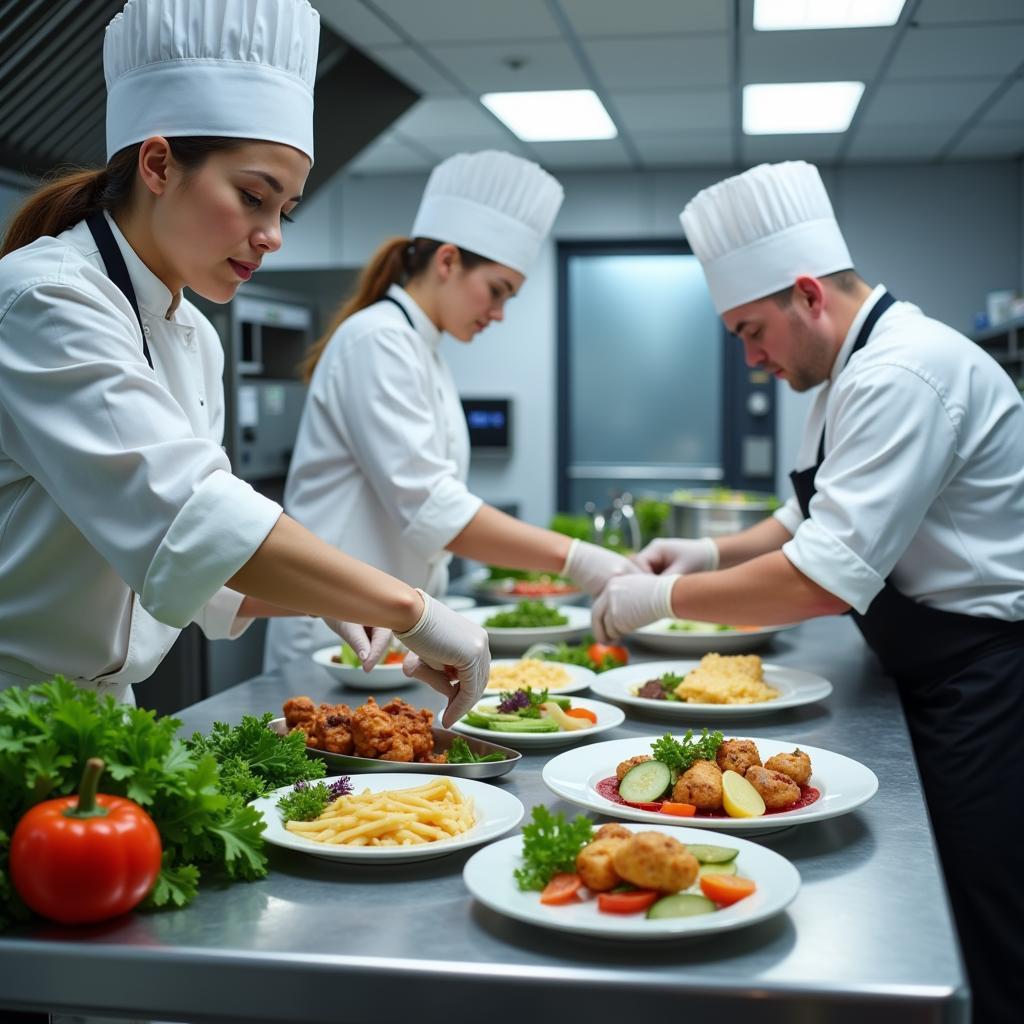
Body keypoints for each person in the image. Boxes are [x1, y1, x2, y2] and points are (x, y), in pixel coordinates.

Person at [592, 160, 1024, 1021]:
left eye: (752, 331)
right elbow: (803, 522)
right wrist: (704, 554)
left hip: (987, 677)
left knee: (986, 906)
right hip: (930, 665)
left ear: (806, 294)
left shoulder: (904, 372)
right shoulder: (847, 370)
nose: (752, 358)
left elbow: (820, 581)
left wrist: (662, 603)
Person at [0, 0, 489, 728]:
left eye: (285, 211)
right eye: (253, 197)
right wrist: (407, 606)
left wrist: (335, 595)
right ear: (159, 164)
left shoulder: (194, 332)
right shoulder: (46, 299)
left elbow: (200, 574)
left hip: (103, 718)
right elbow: (193, 519)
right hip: (16, 711)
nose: (272, 237)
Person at [264, 149, 636, 672]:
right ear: (447, 262)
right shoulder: (378, 341)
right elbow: (434, 511)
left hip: (389, 631)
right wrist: (577, 558)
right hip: (337, 639)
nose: (500, 313)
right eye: (497, 291)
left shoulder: (422, 349)